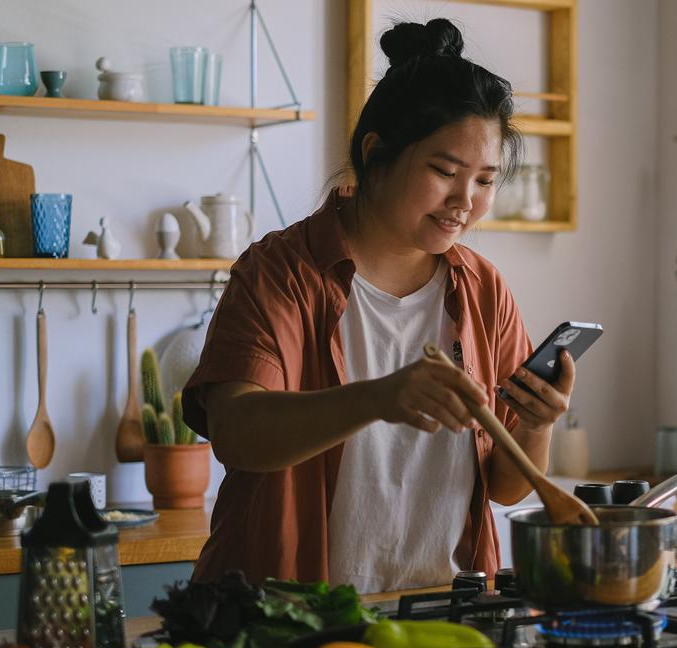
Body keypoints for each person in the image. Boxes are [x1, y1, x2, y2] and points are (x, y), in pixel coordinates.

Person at [181, 18, 577, 592]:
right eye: (444, 171)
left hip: (442, 612)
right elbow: (237, 434)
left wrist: (537, 427)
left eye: (485, 180)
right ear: (376, 155)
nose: (464, 201)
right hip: (290, 619)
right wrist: (381, 396)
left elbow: (507, 487)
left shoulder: (483, 290)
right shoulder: (282, 273)